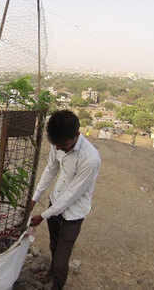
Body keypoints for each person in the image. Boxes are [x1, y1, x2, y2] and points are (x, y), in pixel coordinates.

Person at [30, 110, 101, 290]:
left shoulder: (90, 159)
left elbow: (71, 195)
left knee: (62, 260)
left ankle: (57, 285)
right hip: (55, 204)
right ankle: (51, 273)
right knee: (53, 245)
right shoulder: (58, 144)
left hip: (73, 215)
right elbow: (50, 170)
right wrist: (35, 197)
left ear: (77, 135)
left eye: (63, 145)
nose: (58, 148)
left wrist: (43, 215)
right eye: (56, 145)